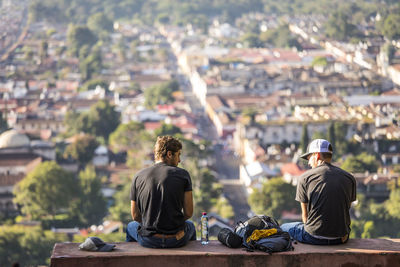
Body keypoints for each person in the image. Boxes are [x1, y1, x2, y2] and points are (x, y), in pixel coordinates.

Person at [281, 139, 356, 245]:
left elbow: (305, 218)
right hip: (341, 238)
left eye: (309, 158)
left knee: (283, 227)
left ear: (316, 155)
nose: (309, 163)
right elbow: (346, 209)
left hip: (313, 237)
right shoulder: (349, 178)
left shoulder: (305, 178)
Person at [126, 136, 196, 248]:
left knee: (131, 226)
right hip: (176, 239)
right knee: (190, 225)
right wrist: (172, 224)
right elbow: (188, 213)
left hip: (149, 240)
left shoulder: (138, 176)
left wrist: (151, 224)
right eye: (178, 155)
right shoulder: (183, 175)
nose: (179, 160)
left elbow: (135, 215)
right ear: (169, 154)